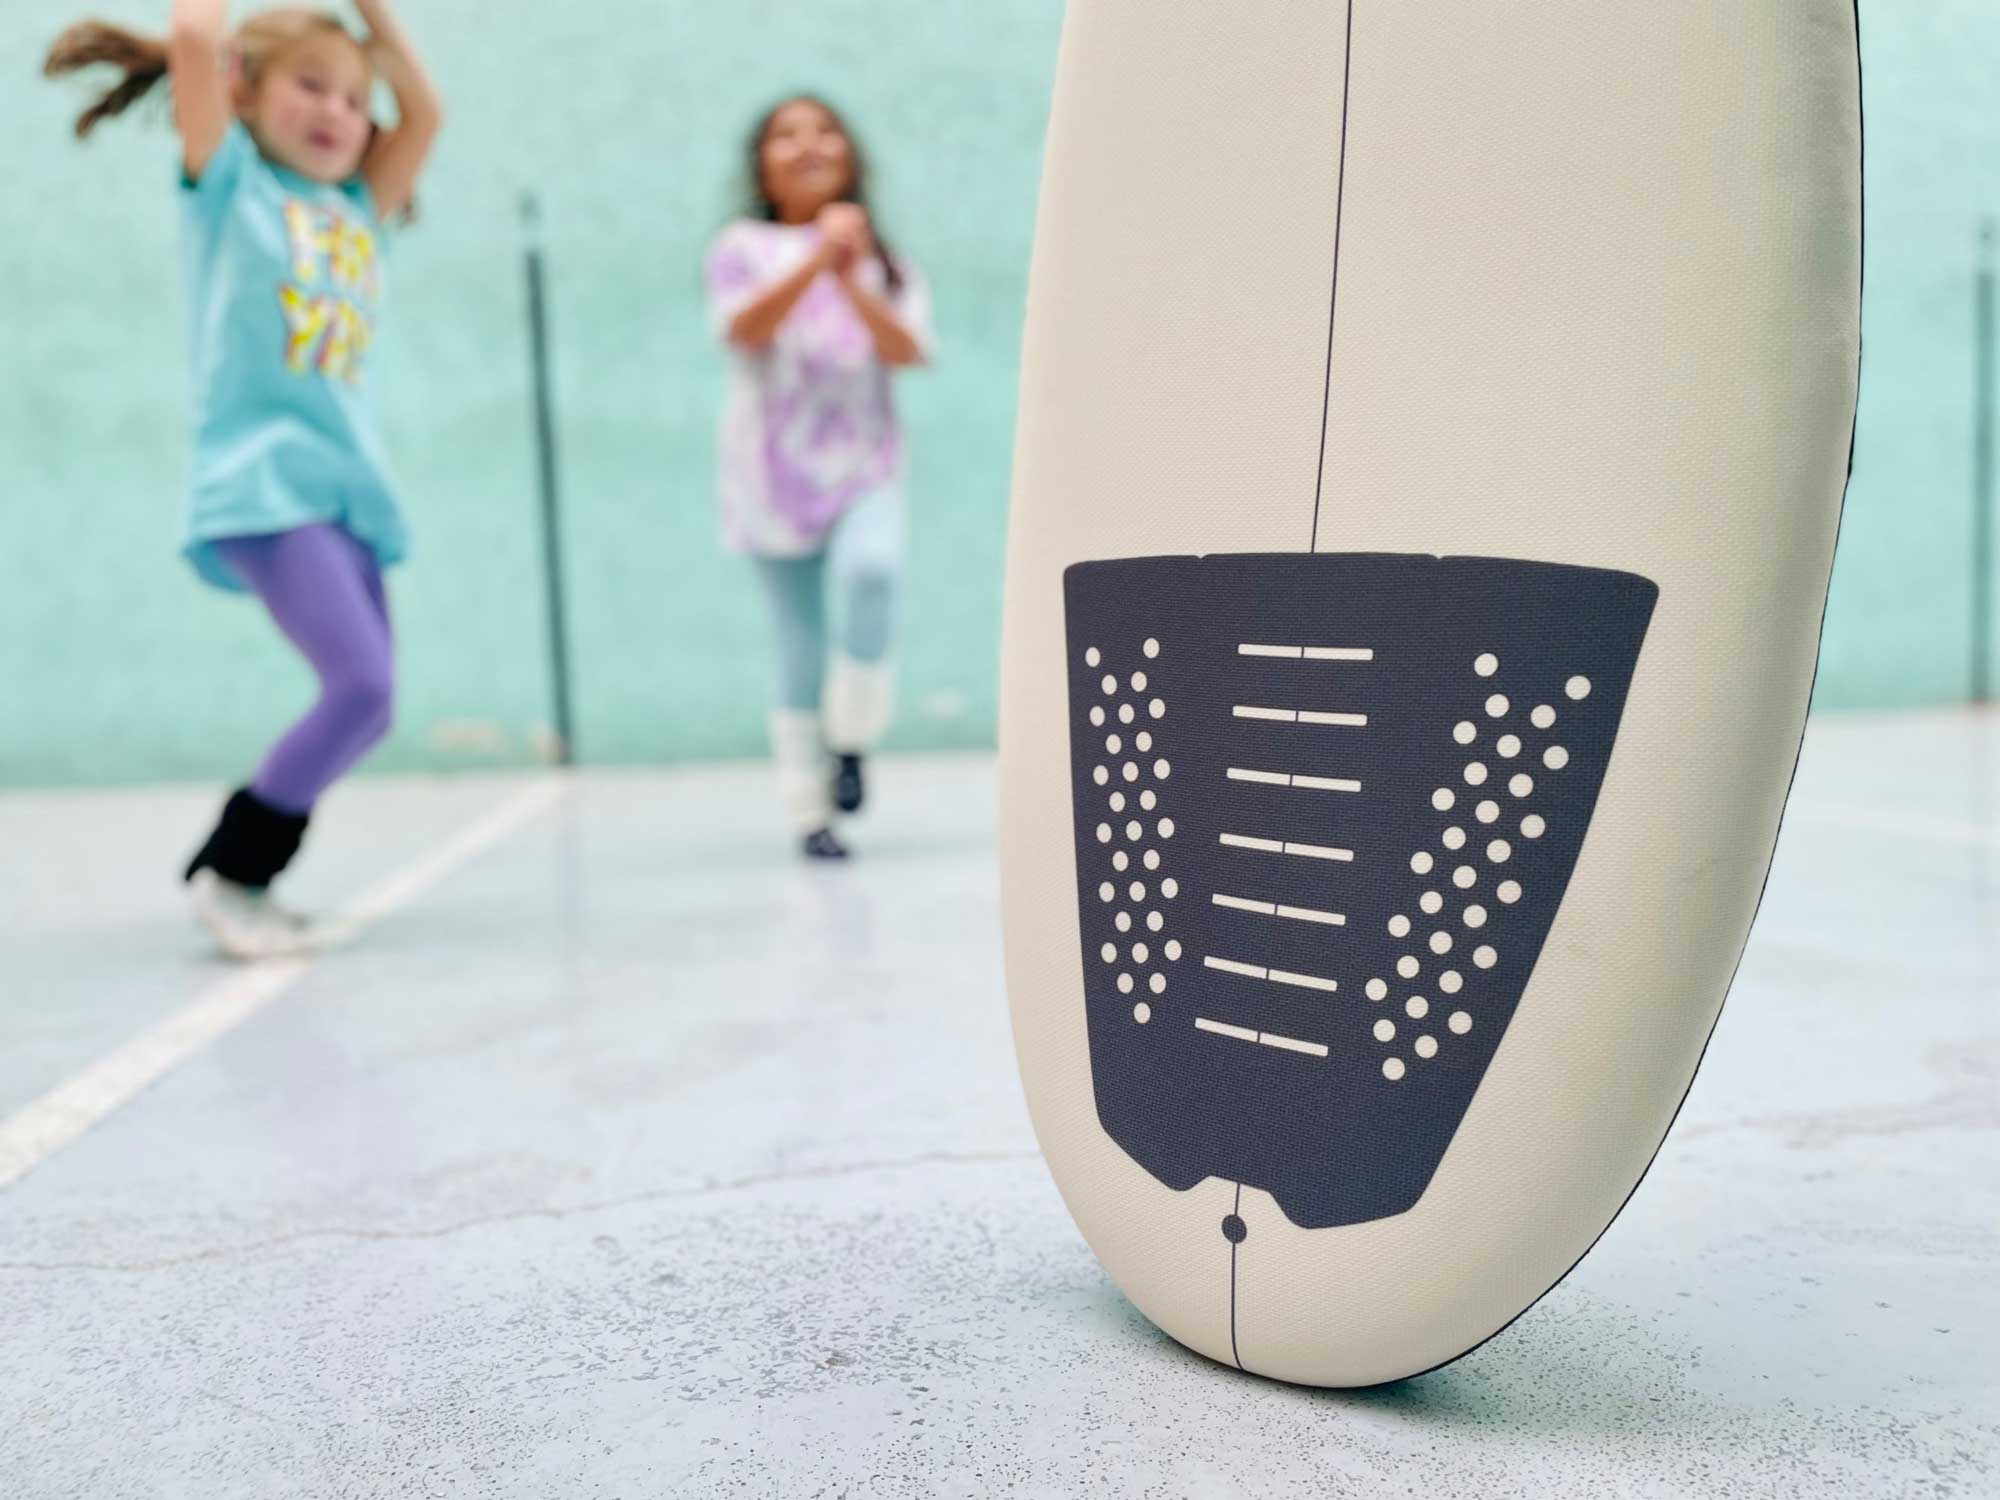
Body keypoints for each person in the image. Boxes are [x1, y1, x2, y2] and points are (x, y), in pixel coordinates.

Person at [43, 1, 441, 956]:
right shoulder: (230, 192)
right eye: (311, 85)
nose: (337, 111)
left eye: (353, 97)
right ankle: (232, 874)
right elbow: (191, 39)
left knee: (373, 703)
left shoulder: (357, 210)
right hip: (263, 485)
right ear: (244, 94)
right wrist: (217, 49)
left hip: (344, 491)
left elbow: (421, 116)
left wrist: (371, 17)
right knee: (357, 682)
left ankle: (245, 873)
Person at [705, 95, 933, 860]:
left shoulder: (886, 261)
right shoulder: (740, 245)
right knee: (797, 641)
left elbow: (906, 351)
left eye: (825, 129)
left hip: (863, 462)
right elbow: (744, 329)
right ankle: (810, 812)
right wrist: (815, 262)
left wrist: (852, 275)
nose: (808, 144)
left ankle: (853, 736)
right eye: (786, 134)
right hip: (770, 474)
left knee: (875, 573)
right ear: (761, 164)